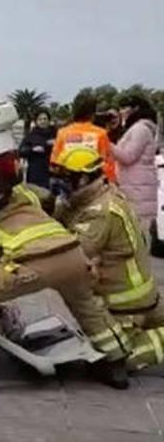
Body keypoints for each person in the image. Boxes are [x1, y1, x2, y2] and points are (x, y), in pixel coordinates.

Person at [0, 180, 132, 393]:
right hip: (74, 255)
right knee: (87, 305)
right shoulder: (24, 195)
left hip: (35, 263)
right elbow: (48, 198)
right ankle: (115, 365)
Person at [52, 147, 164, 372]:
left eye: (66, 178)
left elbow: (74, 252)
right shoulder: (104, 193)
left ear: (83, 178)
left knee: (113, 358)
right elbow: (70, 214)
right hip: (140, 296)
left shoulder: (100, 212)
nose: (60, 184)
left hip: (125, 304)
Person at [111, 96, 158, 229]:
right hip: (135, 187)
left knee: (140, 235)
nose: (121, 111)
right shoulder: (136, 128)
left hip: (138, 190)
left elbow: (128, 156)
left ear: (136, 109)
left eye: (125, 107)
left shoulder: (140, 129)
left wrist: (106, 143)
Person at [51, 92, 116, 182]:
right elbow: (107, 162)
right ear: (93, 112)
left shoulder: (63, 133)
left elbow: (55, 162)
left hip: (69, 184)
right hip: (94, 184)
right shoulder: (101, 134)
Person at [19, 110, 56, 188]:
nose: (43, 121)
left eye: (45, 119)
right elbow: (21, 151)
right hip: (36, 175)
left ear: (49, 120)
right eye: (40, 119)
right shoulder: (31, 136)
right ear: (36, 121)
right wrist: (32, 150)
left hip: (55, 173)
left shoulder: (56, 133)